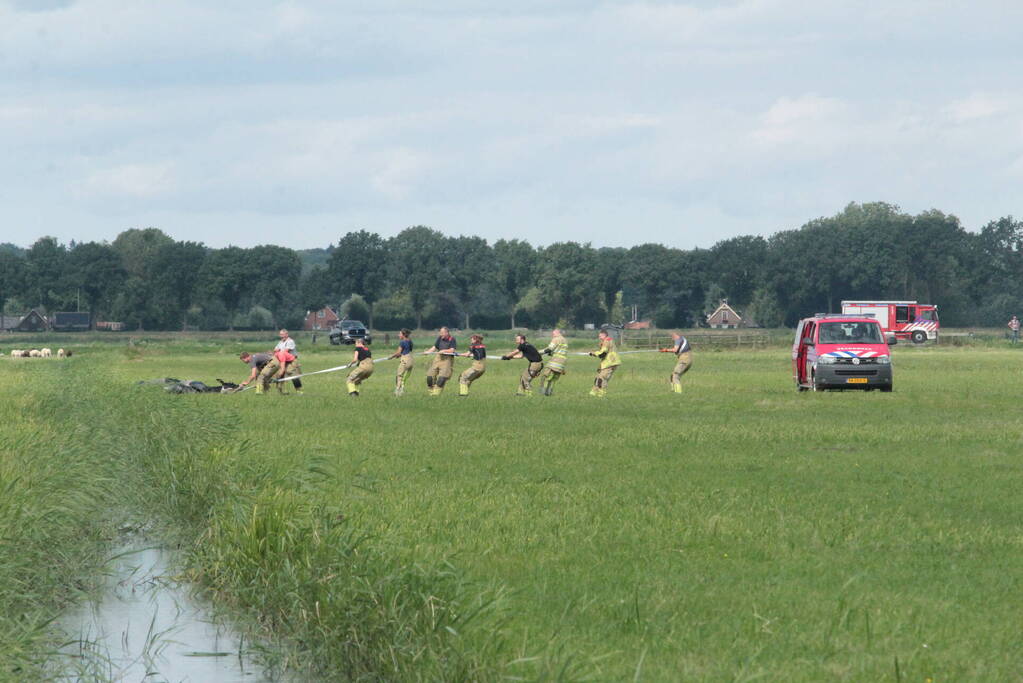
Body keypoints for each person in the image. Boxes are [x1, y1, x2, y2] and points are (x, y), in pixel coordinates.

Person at [424, 326, 457, 396]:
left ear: (447, 333)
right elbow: (435, 347)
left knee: (442, 379)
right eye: (440, 332)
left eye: (442, 333)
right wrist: (428, 352)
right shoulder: (440, 338)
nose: (440, 334)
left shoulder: (452, 339)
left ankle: (435, 395)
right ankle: (430, 393)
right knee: (429, 377)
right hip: (438, 358)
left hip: (447, 359)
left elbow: (452, 350)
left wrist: (444, 350)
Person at [588, 329, 621, 397]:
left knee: (602, 377)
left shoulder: (606, 341)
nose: (599, 337)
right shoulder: (608, 340)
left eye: (600, 336)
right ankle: (594, 391)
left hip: (610, 363)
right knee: (598, 377)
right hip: (608, 362)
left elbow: (602, 353)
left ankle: (602, 392)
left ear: (604, 335)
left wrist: (593, 353)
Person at [539, 329, 569, 396]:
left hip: (554, 362)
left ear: (557, 333)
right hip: (561, 363)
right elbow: (559, 351)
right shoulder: (565, 340)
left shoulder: (556, 339)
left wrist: (539, 352)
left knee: (545, 377)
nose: (552, 335)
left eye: (553, 334)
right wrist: (551, 353)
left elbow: (550, 349)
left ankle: (543, 393)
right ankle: (550, 392)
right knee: (553, 379)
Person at [274, 329, 303, 394]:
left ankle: (299, 391)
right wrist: (278, 351)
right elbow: (275, 350)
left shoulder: (290, 341)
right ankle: (280, 391)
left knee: (292, 374)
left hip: (292, 361)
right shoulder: (280, 342)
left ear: (287, 334)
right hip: (283, 360)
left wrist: (279, 351)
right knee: (280, 374)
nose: (281, 336)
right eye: (280, 334)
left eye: (282, 334)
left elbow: (285, 351)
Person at [388, 328, 414, 396]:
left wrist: (391, 356)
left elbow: (398, 352)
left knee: (399, 376)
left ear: (403, 335)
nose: (398, 335)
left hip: (405, 360)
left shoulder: (402, 342)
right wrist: (399, 355)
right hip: (411, 360)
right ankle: (402, 389)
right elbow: (407, 350)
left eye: (400, 334)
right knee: (404, 377)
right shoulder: (410, 341)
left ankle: (398, 391)